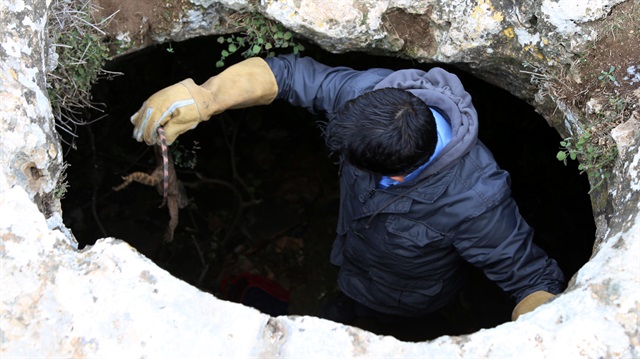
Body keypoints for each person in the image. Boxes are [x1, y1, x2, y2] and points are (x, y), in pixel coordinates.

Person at [130, 54, 565, 323]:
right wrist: (207, 97)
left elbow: (533, 280)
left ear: (393, 177)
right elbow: (291, 74)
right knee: (343, 305)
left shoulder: (476, 202)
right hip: (351, 265)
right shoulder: (376, 96)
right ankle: (343, 309)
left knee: (382, 325)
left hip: (405, 301)